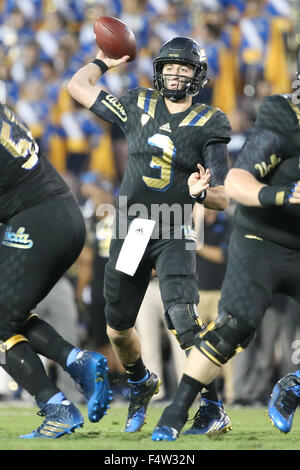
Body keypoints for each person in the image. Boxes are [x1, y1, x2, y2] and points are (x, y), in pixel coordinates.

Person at [67, 36, 231, 433]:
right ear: (159, 70)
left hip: (173, 224)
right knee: (117, 327)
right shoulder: (138, 102)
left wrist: (201, 193)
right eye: (170, 66)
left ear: (197, 75)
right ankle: (141, 381)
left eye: (185, 67)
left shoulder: (210, 121)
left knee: (183, 319)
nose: (176, 72)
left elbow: (223, 198)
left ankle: (211, 407)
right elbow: (77, 86)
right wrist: (103, 62)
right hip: (132, 226)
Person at [151, 91, 300, 441]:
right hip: (263, 238)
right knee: (236, 324)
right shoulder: (284, 116)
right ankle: (179, 410)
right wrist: (281, 194)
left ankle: (294, 385)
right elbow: (236, 182)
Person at [0, 101, 112, 438]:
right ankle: (78, 361)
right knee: (8, 315)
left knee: (1, 321)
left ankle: (57, 407)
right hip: (62, 215)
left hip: (38, 220)